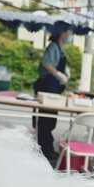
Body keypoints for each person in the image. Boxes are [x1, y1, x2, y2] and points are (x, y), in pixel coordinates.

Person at [33, 22, 72, 164]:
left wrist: (65, 73)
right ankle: (44, 150)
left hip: (54, 88)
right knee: (46, 119)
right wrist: (58, 74)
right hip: (47, 86)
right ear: (62, 33)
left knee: (50, 119)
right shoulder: (53, 47)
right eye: (68, 32)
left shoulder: (60, 48)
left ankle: (47, 148)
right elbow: (47, 64)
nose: (70, 35)